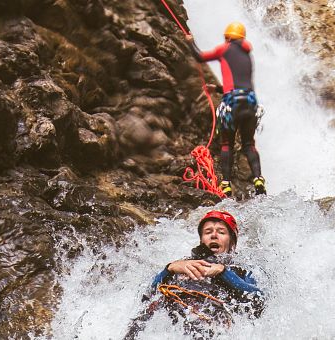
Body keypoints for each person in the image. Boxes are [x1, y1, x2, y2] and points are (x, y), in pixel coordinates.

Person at [123, 210, 264, 339]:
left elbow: (258, 299)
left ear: (232, 242)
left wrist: (223, 272)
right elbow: (147, 294)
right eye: (208, 232)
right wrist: (169, 269)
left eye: (221, 232)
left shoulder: (239, 269)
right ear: (202, 240)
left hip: (211, 321)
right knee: (144, 314)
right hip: (171, 314)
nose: (214, 235)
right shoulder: (182, 265)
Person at [186, 22, 266, 196]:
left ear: (228, 37)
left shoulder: (224, 49)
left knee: (226, 144)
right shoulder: (247, 54)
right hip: (251, 101)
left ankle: (226, 183)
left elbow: (200, 57)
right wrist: (218, 88)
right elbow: (240, 83)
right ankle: (258, 178)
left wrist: (190, 41)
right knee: (249, 143)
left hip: (232, 103)